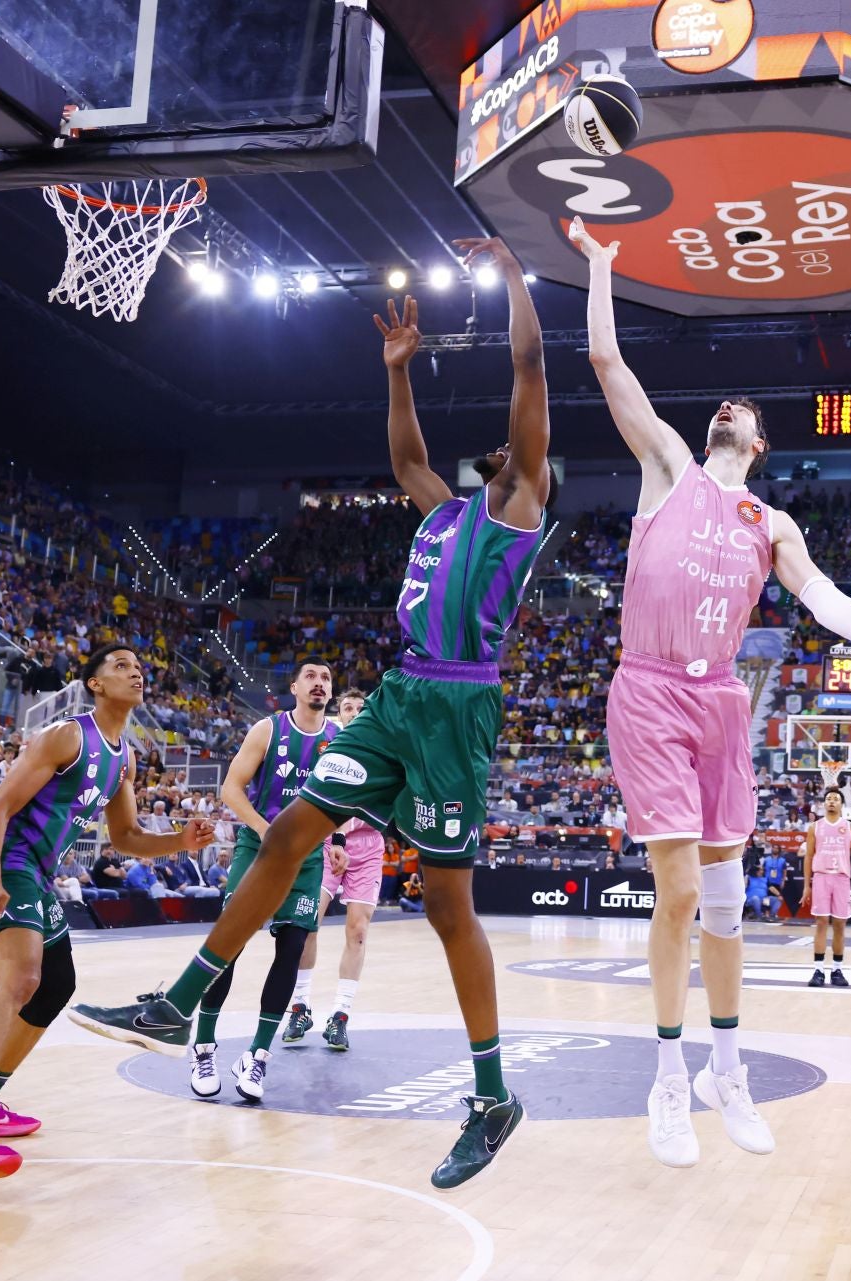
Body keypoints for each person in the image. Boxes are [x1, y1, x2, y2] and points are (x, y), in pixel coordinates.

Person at [70, 237, 552, 1192]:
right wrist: (398, 375)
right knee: (290, 828)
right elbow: (406, 453)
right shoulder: (445, 510)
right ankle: (183, 998)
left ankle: (493, 1094)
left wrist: (508, 275)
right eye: (493, 449)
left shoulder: (524, 501)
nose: (499, 449)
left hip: (460, 704)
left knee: (450, 905)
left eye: (511, 446)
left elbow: (531, 366)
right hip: (402, 689)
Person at [571, 217, 851, 1169]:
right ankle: (668, 1081)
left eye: (744, 409)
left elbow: (826, 599)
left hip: (721, 703)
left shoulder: (773, 521)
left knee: (726, 909)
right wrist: (600, 267)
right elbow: (603, 358)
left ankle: (728, 1069)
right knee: (675, 892)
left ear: (760, 443)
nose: (728, 408)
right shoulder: (669, 468)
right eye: (724, 403)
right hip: (648, 691)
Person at [0, 644, 214, 1180]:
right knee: (20, 980)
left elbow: (126, 837)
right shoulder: (66, 736)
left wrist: (181, 841)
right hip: (7, 865)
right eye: (121, 665)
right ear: (95, 684)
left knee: (55, 985)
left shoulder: (123, 756)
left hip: (36, 875)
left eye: (140, 665)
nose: (136, 671)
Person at [182, 659, 337, 1103]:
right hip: (257, 847)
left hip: (306, 857)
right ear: (294, 687)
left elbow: (344, 798)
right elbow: (231, 789)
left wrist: (338, 836)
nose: (319, 684)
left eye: (325, 678)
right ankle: (205, 1047)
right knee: (228, 946)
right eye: (311, 676)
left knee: (290, 952)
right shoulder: (268, 730)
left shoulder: (338, 740)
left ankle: (257, 1057)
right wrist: (265, 829)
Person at [284, 688, 388, 1054]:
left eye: (362, 708)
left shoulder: (385, 748)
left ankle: (340, 1016)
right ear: (338, 713)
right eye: (348, 707)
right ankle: (299, 1007)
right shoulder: (325, 747)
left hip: (368, 847)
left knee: (358, 931)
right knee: (307, 921)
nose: (356, 712)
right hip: (326, 843)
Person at [803, 789, 851, 986]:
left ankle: (837, 971)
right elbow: (808, 856)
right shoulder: (815, 827)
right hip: (821, 877)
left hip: (841, 879)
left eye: (835, 799)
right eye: (828, 799)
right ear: (823, 804)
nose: (831, 801)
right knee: (821, 923)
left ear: (842, 805)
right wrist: (807, 885)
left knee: (839, 925)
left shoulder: (850, 828)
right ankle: (818, 971)